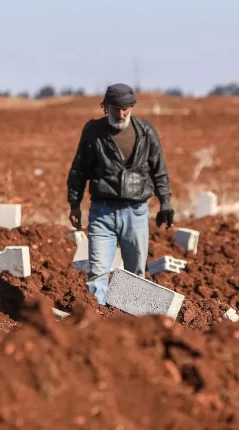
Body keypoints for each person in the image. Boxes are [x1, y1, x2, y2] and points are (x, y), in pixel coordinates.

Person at [66, 83, 175, 305]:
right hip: (102, 213)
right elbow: (79, 170)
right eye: (116, 108)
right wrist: (74, 204)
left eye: (126, 109)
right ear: (106, 106)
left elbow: (159, 171)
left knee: (136, 274)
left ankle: (130, 318)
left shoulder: (145, 132)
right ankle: (97, 318)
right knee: (97, 274)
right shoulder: (94, 132)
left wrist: (165, 202)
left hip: (136, 213)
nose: (122, 114)